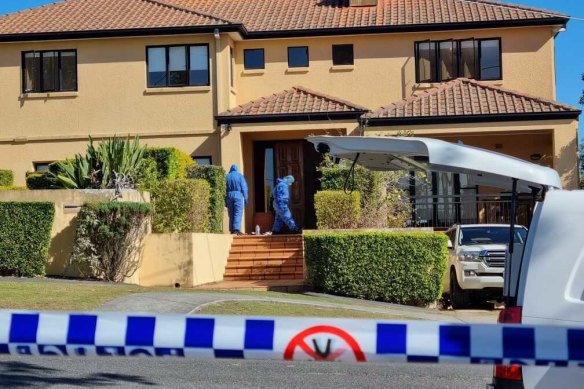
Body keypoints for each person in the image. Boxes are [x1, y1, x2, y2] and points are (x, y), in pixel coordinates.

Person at [225, 164, 248, 235]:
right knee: (238, 212)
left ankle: (232, 229)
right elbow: (244, 188)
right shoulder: (240, 176)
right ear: (236, 169)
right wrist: (246, 198)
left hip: (229, 195)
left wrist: (224, 200)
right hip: (238, 195)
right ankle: (236, 229)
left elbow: (223, 188)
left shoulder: (227, 176)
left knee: (231, 213)